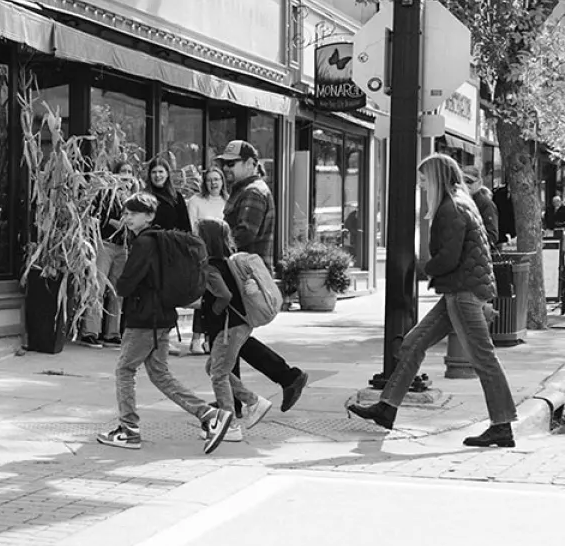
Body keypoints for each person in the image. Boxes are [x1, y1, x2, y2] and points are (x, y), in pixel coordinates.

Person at [349, 154, 518, 448]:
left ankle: (502, 425)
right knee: (413, 344)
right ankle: (387, 408)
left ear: (438, 176)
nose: (421, 184)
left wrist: (424, 267)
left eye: (424, 178)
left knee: (483, 358)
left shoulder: (450, 207)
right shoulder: (460, 201)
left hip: (462, 293)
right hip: (461, 289)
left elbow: (448, 258)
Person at [94, 192, 236, 455]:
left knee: (125, 370)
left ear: (149, 216)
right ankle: (208, 414)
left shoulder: (144, 243)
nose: (127, 218)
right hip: (162, 317)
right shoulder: (161, 240)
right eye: (125, 213)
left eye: (133, 214)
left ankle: (128, 430)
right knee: (160, 374)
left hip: (144, 319)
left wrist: (121, 283)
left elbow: (127, 283)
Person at [215, 140, 310, 412]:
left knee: (227, 337)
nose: (227, 169)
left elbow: (244, 234)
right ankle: (234, 399)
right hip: (238, 274)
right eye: (225, 164)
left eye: (232, 164)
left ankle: (285, 377)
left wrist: (215, 244)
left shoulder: (253, 193)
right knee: (228, 337)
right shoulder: (245, 190)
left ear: (251, 163)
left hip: (240, 276)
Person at [195, 218, 275, 442]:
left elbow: (224, 295)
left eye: (196, 234)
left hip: (228, 327)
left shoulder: (211, 267)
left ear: (205, 239)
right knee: (214, 367)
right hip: (238, 325)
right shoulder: (224, 262)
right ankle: (252, 401)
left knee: (218, 374)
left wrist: (215, 310)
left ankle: (229, 425)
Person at [79, 160, 140, 348]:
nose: (126, 174)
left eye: (130, 171)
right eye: (123, 171)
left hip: (123, 247)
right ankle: (90, 331)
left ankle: (112, 333)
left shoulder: (134, 196)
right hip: (105, 243)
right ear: (115, 173)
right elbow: (93, 215)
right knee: (98, 287)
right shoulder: (106, 193)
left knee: (117, 291)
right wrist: (111, 222)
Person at [184, 168, 229, 355]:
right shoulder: (196, 201)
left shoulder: (228, 202)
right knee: (204, 296)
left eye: (217, 179)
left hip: (223, 254)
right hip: (201, 254)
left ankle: (212, 338)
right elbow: (192, 228)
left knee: (220, 295)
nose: (213, 183)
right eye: (210, 180)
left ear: (222, 181)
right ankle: (196, 338)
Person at [144, 159, 192, 233]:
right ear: (149, 175)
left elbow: (185, 227)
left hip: (172, 241)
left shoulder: (176, 197)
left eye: (160, 172)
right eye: (154, 172)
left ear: (167, 174)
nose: (157, 175)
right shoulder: (143, 197)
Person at [466, 172, 500, 246]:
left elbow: (492, 236)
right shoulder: (459, 202)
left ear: (479, 183)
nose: (465, 185)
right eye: (462, 182)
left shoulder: (486, 204)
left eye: (469, 182)